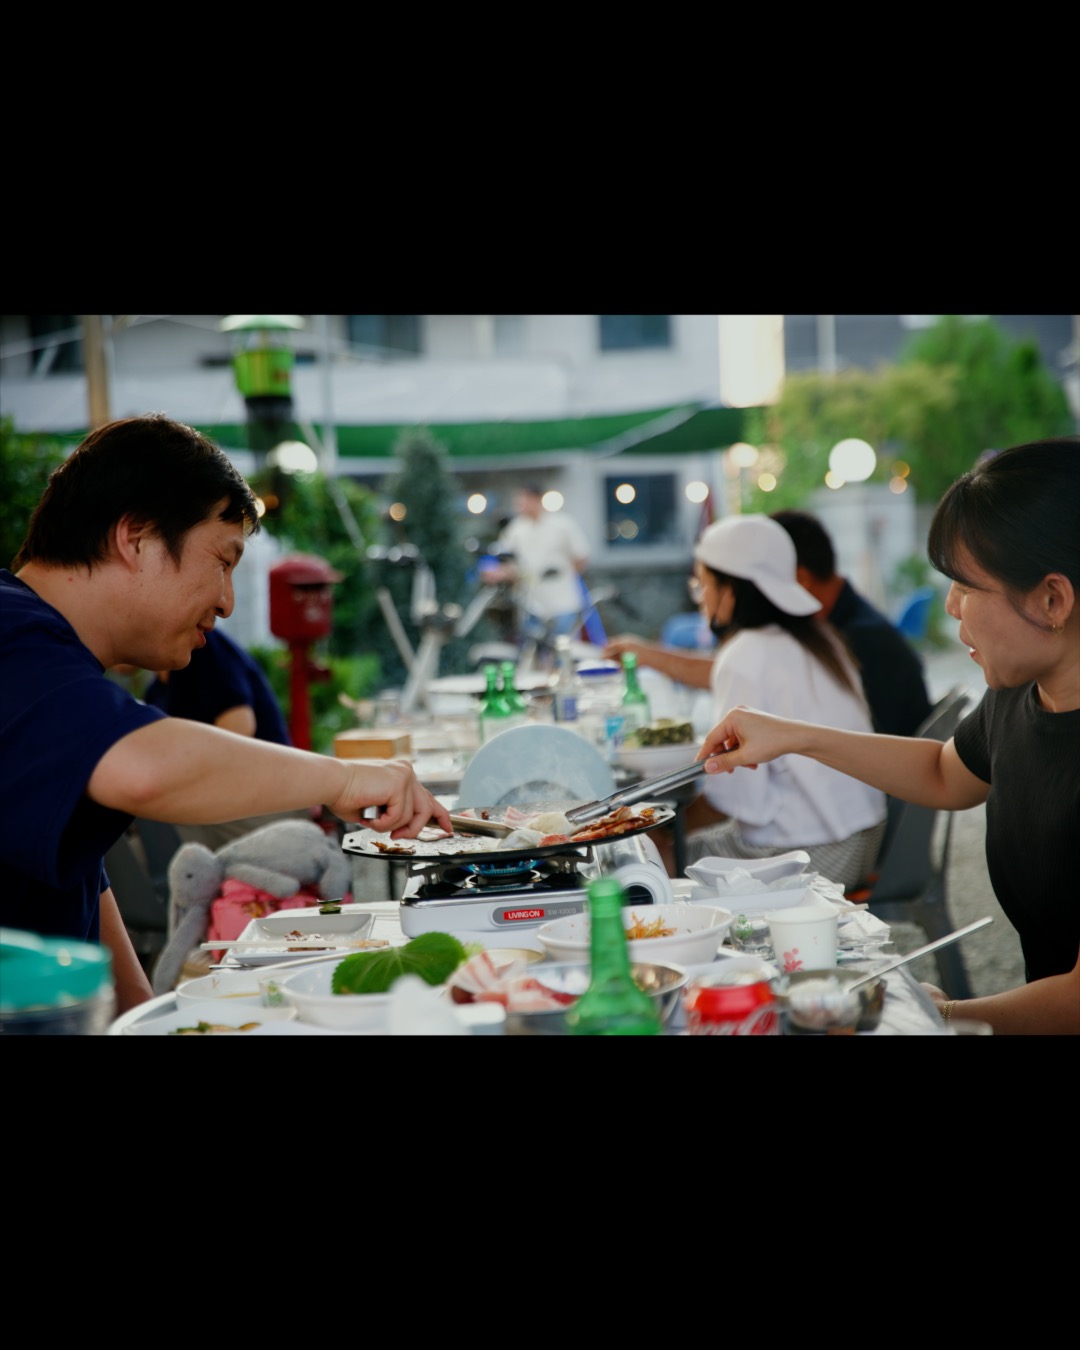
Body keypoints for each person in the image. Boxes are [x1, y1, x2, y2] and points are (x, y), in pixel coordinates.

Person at [0, 413, 452, 1015]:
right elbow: (144, 769)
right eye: (222, 561)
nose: (227, 601)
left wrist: (144, 1015)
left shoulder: (52, 655)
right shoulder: (9, 632)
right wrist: (343, 779)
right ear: (136, 538)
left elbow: (76, 876)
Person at [697, 437, 1080, 1035]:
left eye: (966, 586)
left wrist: (935, 1012)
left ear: (1052, 599)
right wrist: (792, 735)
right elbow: (943, 773)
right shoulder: (1020, 693)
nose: (950, 606)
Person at [618, 514, 887, 884]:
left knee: (643, 858)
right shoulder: (821, 637)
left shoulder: (745, 653)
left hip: (811, 856)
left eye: (702, 584)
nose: (701, 597)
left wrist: (666, 834)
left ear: (730, 591)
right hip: (864, 839)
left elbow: (735, 800)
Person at [142, 626, 312, 851]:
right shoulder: (155, 692)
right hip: (222, 805)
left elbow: (239, 728)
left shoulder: (203, 647)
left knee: (150, 833)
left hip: (267, 801)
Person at [770, 508, 933, 737]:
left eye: (768, 583)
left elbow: (871, 744)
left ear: (802, 578)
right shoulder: (849, 622)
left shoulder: (860, 639)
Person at [480, 483, 590, 647]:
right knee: (531, 651)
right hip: (530, 604)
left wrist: (563, 576)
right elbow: (505, 559)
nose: (520, 506)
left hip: (562, 602)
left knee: (563, 648)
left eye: (524, 501)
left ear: (536, 499)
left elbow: (581, 556)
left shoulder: (562, 524)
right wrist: (498, 573)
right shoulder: (516, 529)